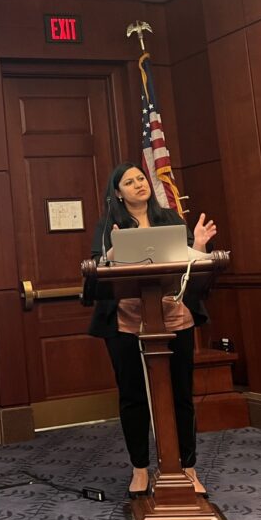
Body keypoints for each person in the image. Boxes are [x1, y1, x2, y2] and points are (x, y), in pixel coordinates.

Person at [87, 162, 217, 498]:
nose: (138, 184)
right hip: (127, 322)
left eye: (141, 178)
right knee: (133, 396)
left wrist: (200, 246)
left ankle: (188, 467)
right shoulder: (109, 226)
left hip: (173, 317)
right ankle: (140, 469)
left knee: (180, 395)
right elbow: (96, 274)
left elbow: (190, 265)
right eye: (129, 182)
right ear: (118, 192)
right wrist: (111, 254)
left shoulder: (171, 220)